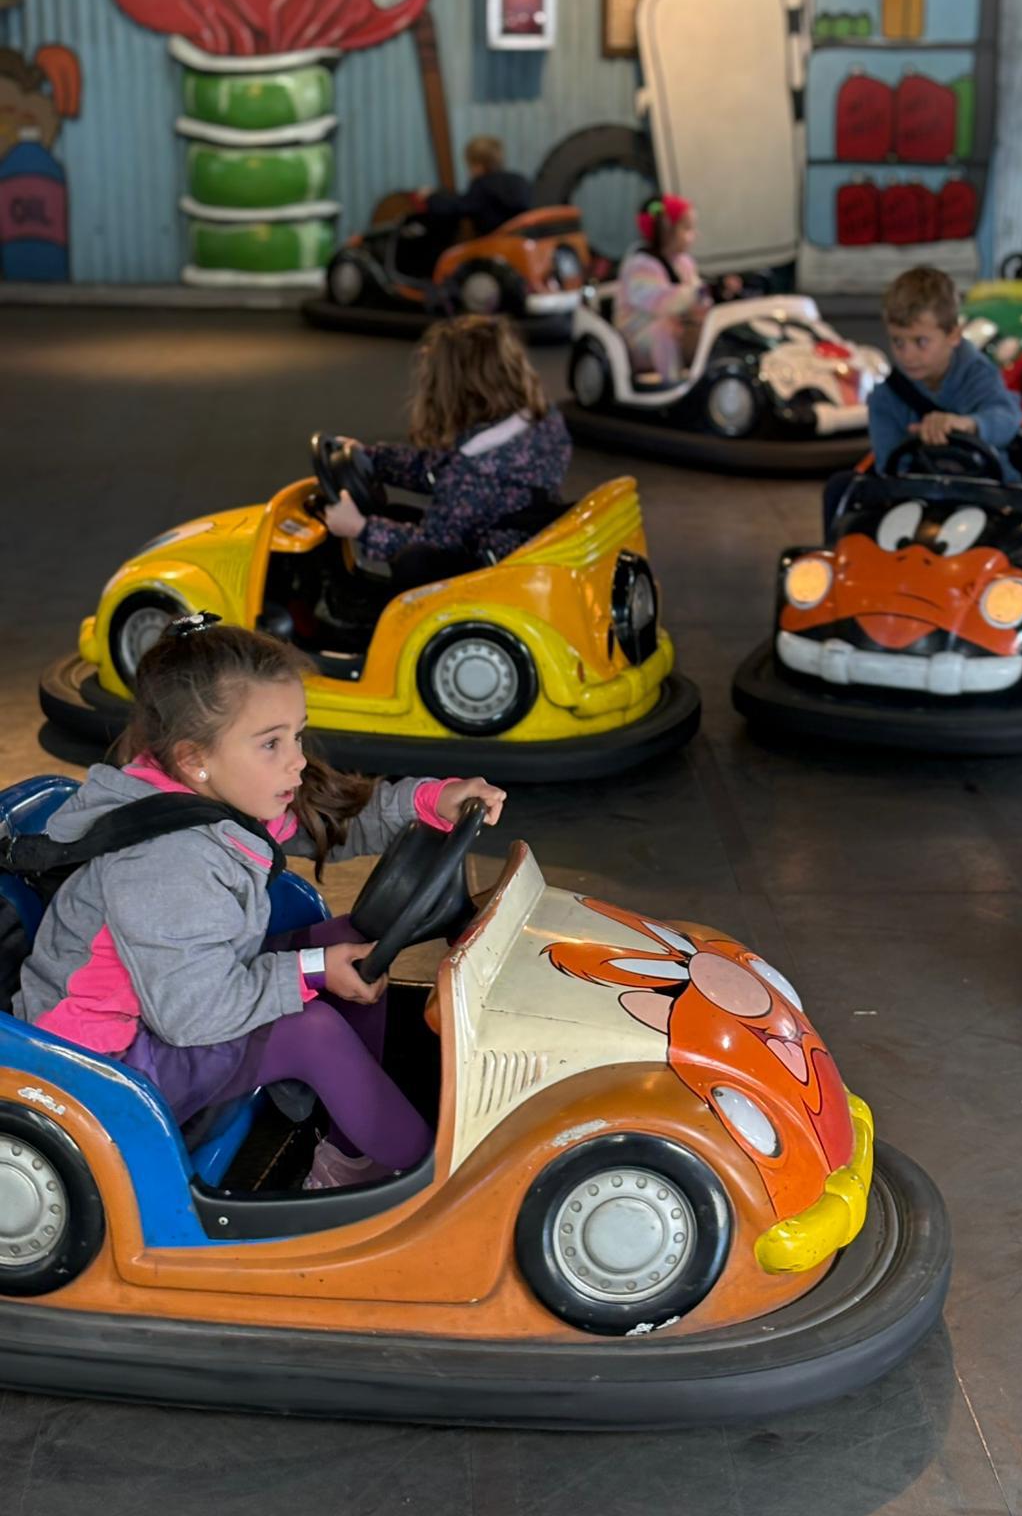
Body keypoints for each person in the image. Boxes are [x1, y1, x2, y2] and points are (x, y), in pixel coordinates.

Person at [14, 618, 506, 1190]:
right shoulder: (164, 862)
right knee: (311, 1029)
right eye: (272, 743)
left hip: (171, 1003)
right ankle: (433, 1184)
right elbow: (193, 1015)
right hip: (102, 1071)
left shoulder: (209, 790)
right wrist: (313, 972)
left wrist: (432, 799)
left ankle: (350, 1157)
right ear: (194, 757)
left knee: (347, 941)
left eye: (297, 735)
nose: (297, 760)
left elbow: (329, 820)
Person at [323, 314, 572, 588]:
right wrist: (375, 458)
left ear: (454, 390)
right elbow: (437, 467)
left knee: (414, 560)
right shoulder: (539, 424)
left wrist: (360, 528)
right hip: (514, 545)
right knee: (396, 515)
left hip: (487, 575)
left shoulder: (473, 470)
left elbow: (434, 542)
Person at [823, 266, 1022, 537]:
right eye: (898, 342)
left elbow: (1008, 418)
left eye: (921, 342)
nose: (908, 356)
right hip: (916, 501)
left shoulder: (977, 374)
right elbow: (889, 467)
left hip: (986, 497)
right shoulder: (886, 397)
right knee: (841, 487)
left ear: (953, 335)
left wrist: (968, 424)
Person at [614, 193, 741, 382]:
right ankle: (672, 382)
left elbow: (697, 297)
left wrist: (718, 294)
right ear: (666, 230)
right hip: (638, 339)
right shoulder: (640, 266)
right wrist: (701, 293)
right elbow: (664, 303)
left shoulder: (684, 262)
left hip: (676, 329)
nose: (695, 235)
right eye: (687, 228)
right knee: (664, 329)